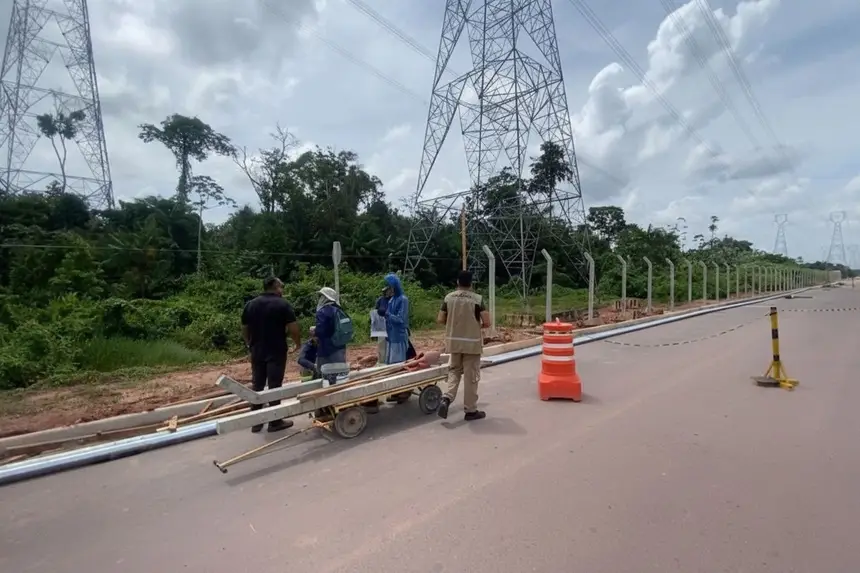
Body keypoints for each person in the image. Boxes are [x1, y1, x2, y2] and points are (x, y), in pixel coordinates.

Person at [241, 276, 301, 433]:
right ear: (275, 287)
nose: (282, 290)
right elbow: (293, 328)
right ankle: (275, 421)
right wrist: (297, 343)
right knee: (274, 384)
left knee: (258, 384)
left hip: (257, 350)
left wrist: (249, 343)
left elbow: (244, 327)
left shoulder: (251, 305)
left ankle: (256, 422)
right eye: (281, 287)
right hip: (276, 349)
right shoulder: (282, 304)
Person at [436, 269, 490, 421]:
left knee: (454, 371)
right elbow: (487, 322)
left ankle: (446, 398)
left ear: (457, 282)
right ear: (471, 283)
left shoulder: (448, 298)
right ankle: (470, 410)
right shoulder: (477, 299)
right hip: (472, 345)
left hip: (453, 343)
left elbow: (440, 319)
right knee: (471, 377)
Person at [314, 287, 352, 382]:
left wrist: (314, 331)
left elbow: (321, 330)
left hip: (326, 348)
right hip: (339, 346)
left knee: (325, 375)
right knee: (340, 374)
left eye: (321, 296)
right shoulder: (339, 310)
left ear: (325, 298)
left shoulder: (322, 312)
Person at [383, 273, 410, 364]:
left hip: (399, 336)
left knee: (398, 362)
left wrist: (388, 315)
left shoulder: (403, 300)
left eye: (390, 287)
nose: (388, 289)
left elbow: (401, 319)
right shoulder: (391, 300)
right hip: (391, 335)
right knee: (390, 361)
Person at [374, 287, 391, 364]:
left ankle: (389, 359)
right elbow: (376, 311)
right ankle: (382, 360)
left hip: (390, 324)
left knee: (390, 344)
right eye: (387, 291)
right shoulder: (380, 300)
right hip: (381, 324)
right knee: (381, 343)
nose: (388, 293)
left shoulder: (393, 300)